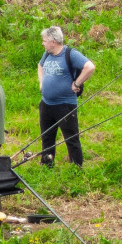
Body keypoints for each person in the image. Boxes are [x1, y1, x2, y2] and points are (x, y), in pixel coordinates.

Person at [37, 25, 95, 167]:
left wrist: (77, 83)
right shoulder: (47, 54)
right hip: (46, 104)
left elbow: (90, 67)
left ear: (53, 42)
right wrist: (41, 83)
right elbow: (40, 66)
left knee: (71, 138)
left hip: (65, 105)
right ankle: (47, 165)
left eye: (44, 40)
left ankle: (76, 168)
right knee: (47, 137)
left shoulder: (70, 54)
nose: (42, 43)